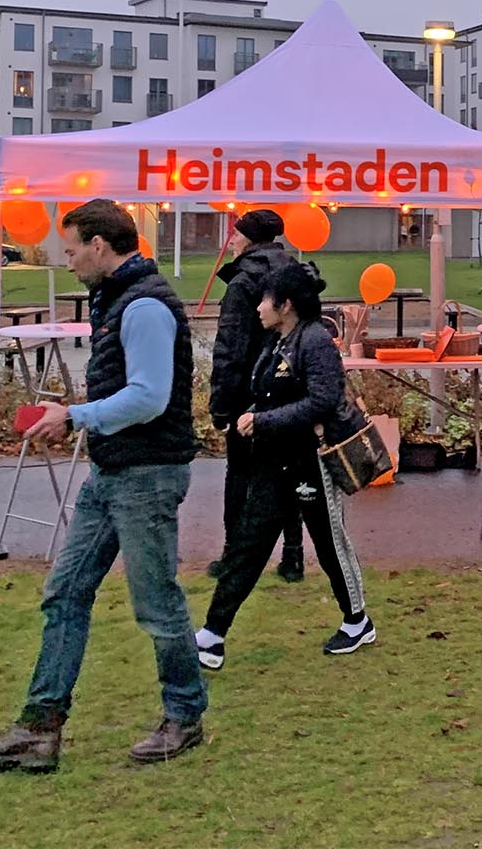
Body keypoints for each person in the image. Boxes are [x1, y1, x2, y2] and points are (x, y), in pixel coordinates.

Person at [0, 199, 206, 773]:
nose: (66, 260)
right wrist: (77, 414)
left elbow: (150, 397)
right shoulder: (120, 297)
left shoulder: (144, 306)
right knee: (65, 592)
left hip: (146, 475)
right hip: (113, 471)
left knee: (156, 603)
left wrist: (75, 415)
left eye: (71, 249)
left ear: (100, 246)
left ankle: (185, 714)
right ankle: (40, 727)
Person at [197, 262, 374, 668]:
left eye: (265, 300)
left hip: (311, 461)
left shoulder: (314, 341)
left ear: (286, 305)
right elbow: (272, 391)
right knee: (249, 545)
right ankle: (212, 634)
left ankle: (357, 620)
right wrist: (254, 413)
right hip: (274, 461)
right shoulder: (279, 339)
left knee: (330, 544)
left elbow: (323, 400)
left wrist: (262, 420)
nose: (258, 307)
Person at [206, 209, 303, 584]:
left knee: (241, 476)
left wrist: (221, 406)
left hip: (249, 394)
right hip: (291, 392)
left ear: (247, 240)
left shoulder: (242, 282)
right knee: (290, 473)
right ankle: (292, 555)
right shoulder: (294, 276)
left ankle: (234, 553)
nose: (230, 241)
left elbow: (229, 348)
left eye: (234, 235)